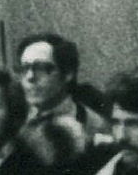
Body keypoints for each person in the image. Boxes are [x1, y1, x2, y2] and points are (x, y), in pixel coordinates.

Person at [11, 36, 93, 167]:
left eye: (41, 68)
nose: (30, 77)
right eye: (25, 68)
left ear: (68, 74)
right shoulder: (13, 125)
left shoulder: (94, 126)